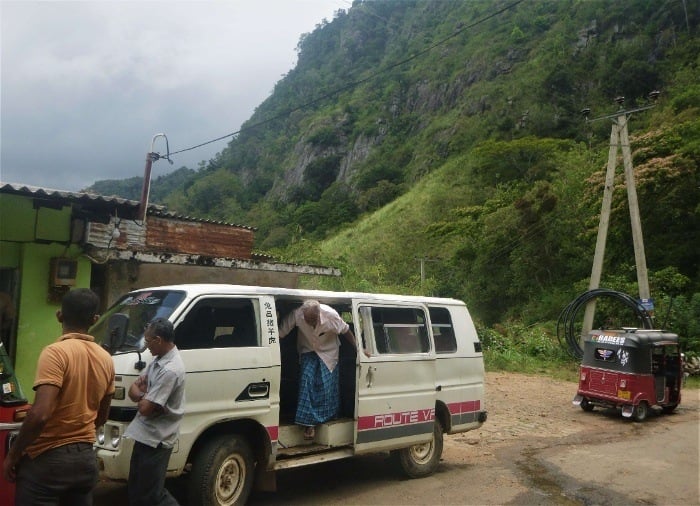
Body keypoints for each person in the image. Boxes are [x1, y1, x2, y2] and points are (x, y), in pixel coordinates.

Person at [2, 288, 115, 505]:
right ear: (95, 319)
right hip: (85, 461)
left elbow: (40, 414)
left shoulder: (55, 353)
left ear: (59, 315)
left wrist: (13, 455)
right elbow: (102, 417)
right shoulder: (106, 359)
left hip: (48, 463)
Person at [279, 300, 364, 440]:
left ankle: (328, 416)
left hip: (328, 352)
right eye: (307, 320)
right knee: (306, 379)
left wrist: (359, 349)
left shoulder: (331, 315)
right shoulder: (297, 315)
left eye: (313, 320)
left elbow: (346, 331)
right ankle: (308, 424)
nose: (310, 324)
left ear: (319, 314)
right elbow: (280, 333)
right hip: (307, 350)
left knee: (326, 385)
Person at [125, 317, 185, 506]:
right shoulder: (157, 361)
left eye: (148, 341)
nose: (147, 345)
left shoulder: (170, 369)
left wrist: (143, 398)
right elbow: (132, 391)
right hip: (144, 434)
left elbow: (144, 408)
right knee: (136, 490)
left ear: (158, 340)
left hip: (157, 439)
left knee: (152, 494)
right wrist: (145, 398)